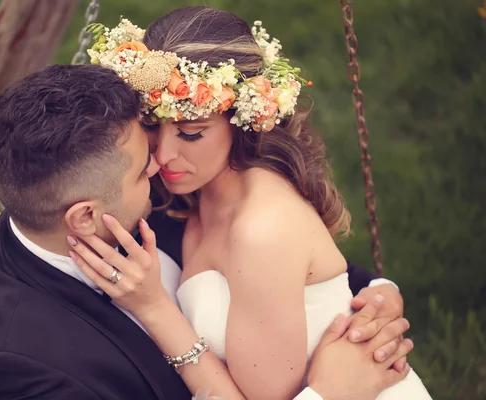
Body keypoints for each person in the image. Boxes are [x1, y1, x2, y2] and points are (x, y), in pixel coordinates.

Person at [0, 63, 410, 400]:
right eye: (142, 170)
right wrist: (331, 393)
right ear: (83, 217)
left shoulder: (105, 210)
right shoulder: (20, 367)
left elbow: (265, 254)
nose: (160, 166)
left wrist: (376, 292)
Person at [69, 6, 431, 399]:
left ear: (242, 121)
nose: (164, 155)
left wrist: (155, 308)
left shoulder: (262, 230)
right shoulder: (189, 186)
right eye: (154, 126)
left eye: (191, 133)